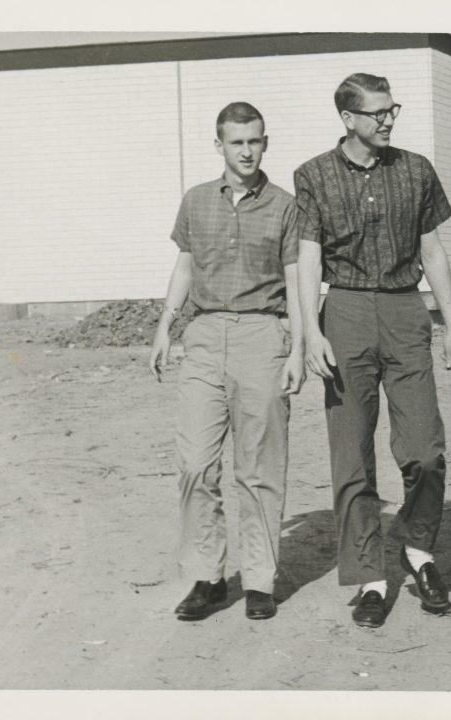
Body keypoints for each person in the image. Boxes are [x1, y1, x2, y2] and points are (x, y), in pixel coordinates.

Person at [294, 73, 451, 629]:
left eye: (393, 110)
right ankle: (370, 577)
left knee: (425, 451)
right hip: (343, 313)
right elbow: (309, 258)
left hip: (403, 310)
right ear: (348, 119)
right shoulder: (313, 175)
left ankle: (417, 550)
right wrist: (312, 332)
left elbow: (432, 251)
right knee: (352, 454)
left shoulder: (415, 170)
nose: (389, 120)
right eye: (377, 113)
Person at [150, 102, 304, 622]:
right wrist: (165, 325)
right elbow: (185, 265)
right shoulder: (196, 201)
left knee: (259, 468)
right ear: (219, 145)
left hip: (263, 334)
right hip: (203, 333)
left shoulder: (285, 206)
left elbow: (299, 282)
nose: (246, 151)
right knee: (194, 462)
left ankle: (259, 580)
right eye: (236, 142)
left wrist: (299, 347)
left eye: (254, 141)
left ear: (265, 142)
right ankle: (207, 577)